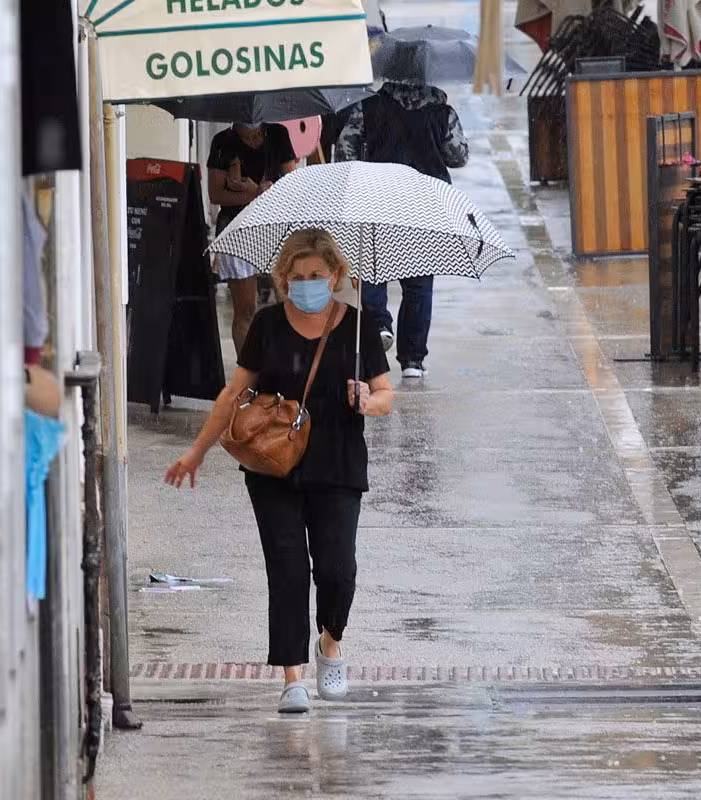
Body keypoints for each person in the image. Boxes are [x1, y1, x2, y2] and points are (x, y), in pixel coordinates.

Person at [165, 228, 393, 714]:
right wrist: (197, 452)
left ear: (336, 275)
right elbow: (233, 394)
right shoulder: (267, 325)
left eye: (317, 275)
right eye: (298, 275)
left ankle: (329, 644)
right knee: (287, 568)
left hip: (338, 463)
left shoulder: (358, 325)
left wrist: (367, 401)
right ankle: (293, 677)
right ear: (284, 279)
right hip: (274, 468)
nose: (307, 283)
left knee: (338, 569)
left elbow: (386, 393)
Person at [335, 82, 469, 378]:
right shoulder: (442, 112)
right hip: (427, 202)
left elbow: (345, 151)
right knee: (419, 282)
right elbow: (458, 156)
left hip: (379, 197)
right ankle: (412, 358)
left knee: (374, 268)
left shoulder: (368, 106)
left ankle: (379, 325)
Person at [206, 122, 298, 354]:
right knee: (246, 309)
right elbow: (216, 194)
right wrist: (256, 193)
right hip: (237, 228)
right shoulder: (222, 141)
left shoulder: (278, 134)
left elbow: (292, 187)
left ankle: (287, 366)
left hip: (275, 225)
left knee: (288, 302)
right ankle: (247, 376)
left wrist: (259, 192)